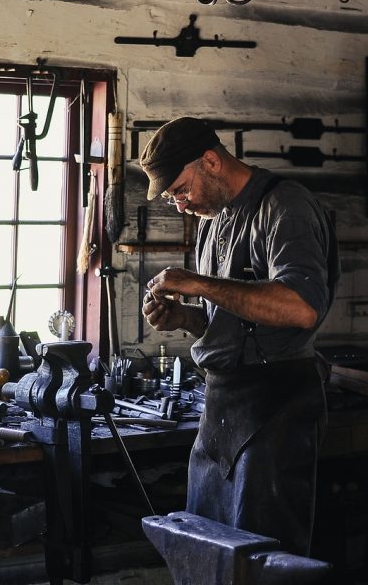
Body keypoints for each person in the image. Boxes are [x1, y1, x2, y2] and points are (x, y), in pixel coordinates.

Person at [139, 117, 339, 557]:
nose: (179, 205)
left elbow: (300, 308)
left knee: (261, 559)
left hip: (276, 406)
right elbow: (230, 320)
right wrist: (184, 317)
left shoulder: (284, 205)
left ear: (210, 161)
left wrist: (201, 283)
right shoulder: (213, 222)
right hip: (222, 408)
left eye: (180, 190)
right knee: (207, 550)